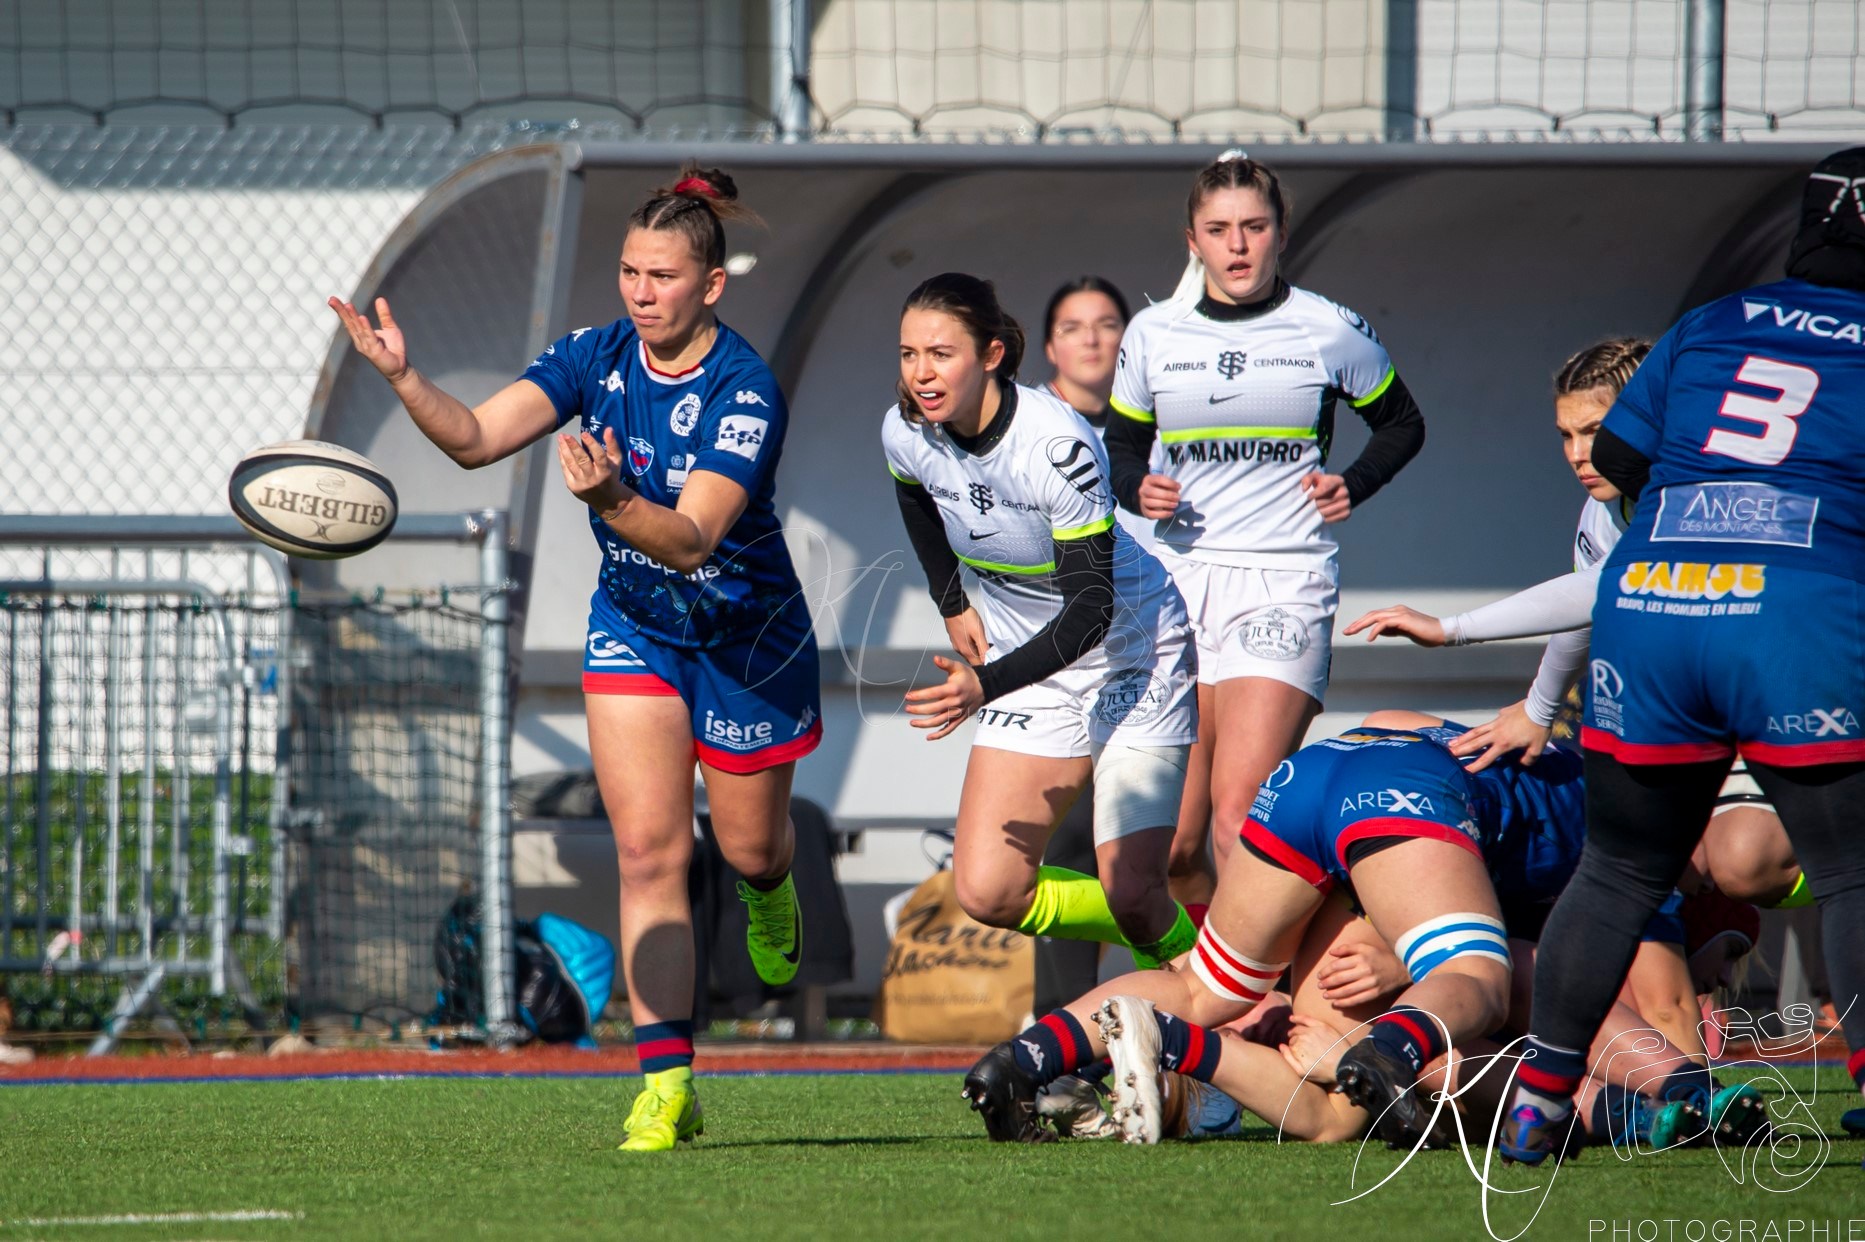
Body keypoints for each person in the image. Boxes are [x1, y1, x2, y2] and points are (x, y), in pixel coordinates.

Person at [329, 164, 818, 1154]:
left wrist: (607, 503)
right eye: (630, 272)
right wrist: (399, 376)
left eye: (664, 276)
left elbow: (688, 538)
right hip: (636, 626)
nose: (641, 292)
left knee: (749, 847)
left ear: (710, 286)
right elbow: (472, 439)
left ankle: (769, 886)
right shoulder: (593, 357)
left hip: (744, 640)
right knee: (648, 853)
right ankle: (663, 1087)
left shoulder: (744, 388)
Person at [1494, 147, 1865, 1166]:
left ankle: (1537, 1101)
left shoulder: (1708, 324)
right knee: (1849, 872)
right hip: (1792, 612)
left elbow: (1612, 465)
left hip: (1653, 607)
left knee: (1614, 868)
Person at [1104, 152, 1426, 910]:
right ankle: (1201, 992)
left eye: (1253, 227)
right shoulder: (1153, 333)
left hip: (1283, 580)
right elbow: (1118, 447)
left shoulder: (1327, 327)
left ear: (1280, 233)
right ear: (1193, 241)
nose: (1238, 245)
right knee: (1174, 843)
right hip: (1178, 586)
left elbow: (1402, 424)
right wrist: (1134, 487)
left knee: (1237, 813)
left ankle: (1269, 1007)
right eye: (1219, 230)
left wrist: (1354, 481)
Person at [884, 272, 1204, 1014]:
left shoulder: (1056, 444)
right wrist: (949, 596)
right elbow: (910, 487)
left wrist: (982, 683)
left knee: (1131, 887)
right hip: (1040, 663)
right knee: (988, 890)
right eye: (907, 355)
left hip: (1132, 652)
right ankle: (1190, 951)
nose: (920, 374)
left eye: (940, 354)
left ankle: (1212, 1003)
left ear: (992, 353)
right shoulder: (905, 427)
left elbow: (1090, 612)